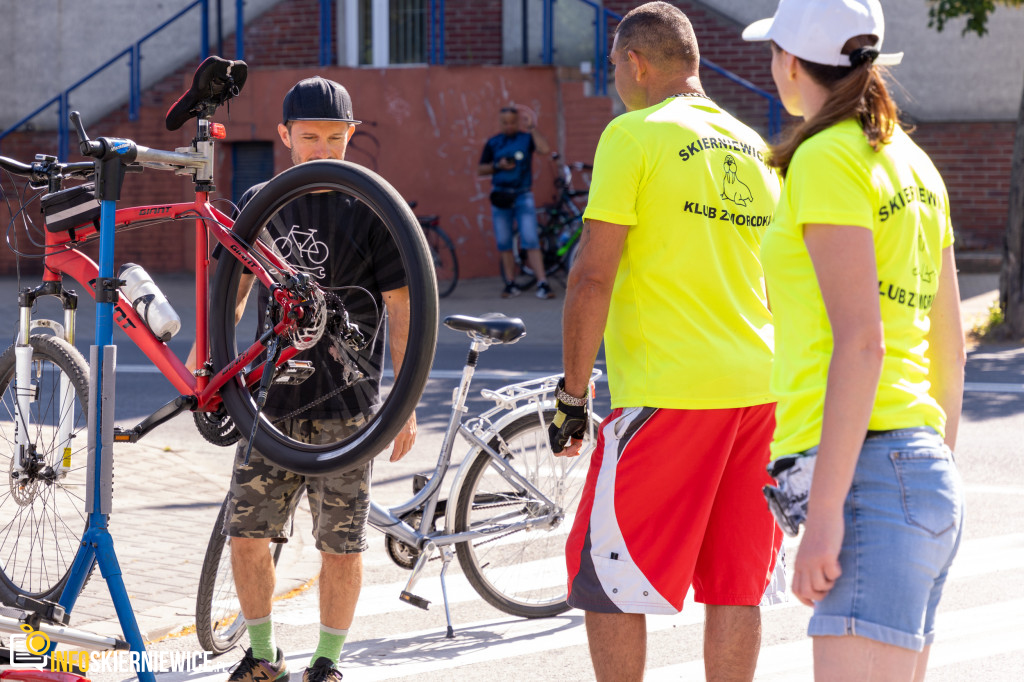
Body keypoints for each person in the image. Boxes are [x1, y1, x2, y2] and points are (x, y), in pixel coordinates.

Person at [548, 3, 784, 680]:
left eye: (613, 64)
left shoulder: (634, 135)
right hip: (760, 397)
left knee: (607, 580)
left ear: (636, 62)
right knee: (736, 586)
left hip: (670, 394)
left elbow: (592, 275)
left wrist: (571, 395)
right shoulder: (754, 148)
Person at [741, 0, 966, 679]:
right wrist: (935, 469)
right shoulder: (915, 164)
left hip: (868, 477)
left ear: (788, 62)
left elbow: (861, 341)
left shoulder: (826, 157)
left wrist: (829, 511)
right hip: (919, 470)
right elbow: (948, 350)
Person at [216, 76, 417, 682]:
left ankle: (327, 661)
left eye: (336, 137)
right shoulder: (260, 200)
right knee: (247, 534)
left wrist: (404, 404)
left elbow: (405, 308)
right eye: (310, 138)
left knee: (342, 544)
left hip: (349, 409)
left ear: (352, 135)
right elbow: (233, 289)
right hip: (268, 406)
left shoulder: (375, 206)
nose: (323, 149)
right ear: (284, 137)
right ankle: (262, 652)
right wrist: (212, 362)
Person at [477, 105, 554, 299]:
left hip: (522, 195)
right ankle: (510, 283)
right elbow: (481, 170)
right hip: (501, 196)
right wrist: (498, 166)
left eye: (512, 122)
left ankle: (542, 283)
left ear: (517, 121)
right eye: (505, 122)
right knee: (504, 242)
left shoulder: (526, 138)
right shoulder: (493, 142)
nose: (509, 125)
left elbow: (544, 149)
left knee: (531, 239)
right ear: (500, 122)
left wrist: (532, 128)